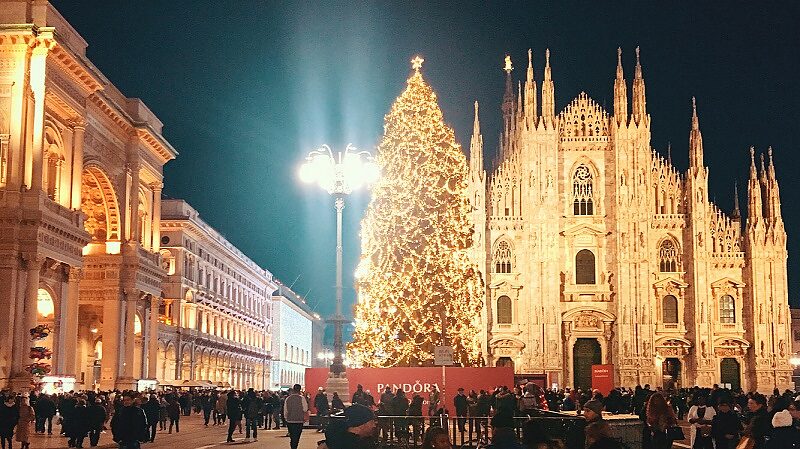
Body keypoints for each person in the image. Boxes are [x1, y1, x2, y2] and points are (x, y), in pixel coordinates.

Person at [283, 384, 308, 449]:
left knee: (292, 436)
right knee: (297, 436)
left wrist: (286, 418)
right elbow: (305, 409)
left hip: (290, 420)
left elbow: (286, 410)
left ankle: (292, 446)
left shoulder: (288, 399)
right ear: (299, 390)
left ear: (293, 390)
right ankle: (294, 446)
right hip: (299, 420)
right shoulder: (302, 398)